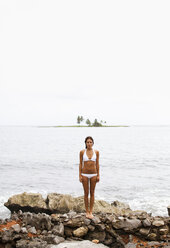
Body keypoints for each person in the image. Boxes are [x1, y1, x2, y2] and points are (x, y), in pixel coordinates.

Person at [79, 136, 100, 219]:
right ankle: (86, 211)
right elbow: (80, 164)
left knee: (92, 193)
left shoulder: (96, 152)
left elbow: (97, 164)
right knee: (86, 193)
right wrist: (79, 175)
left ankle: (91, 211)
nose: (89, 144)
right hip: (84, 174)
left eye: (90, 142)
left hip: (94, 174)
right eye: (87, 142)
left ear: (93, 143)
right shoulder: (82, 152)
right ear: (85, 143)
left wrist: (98, 175)